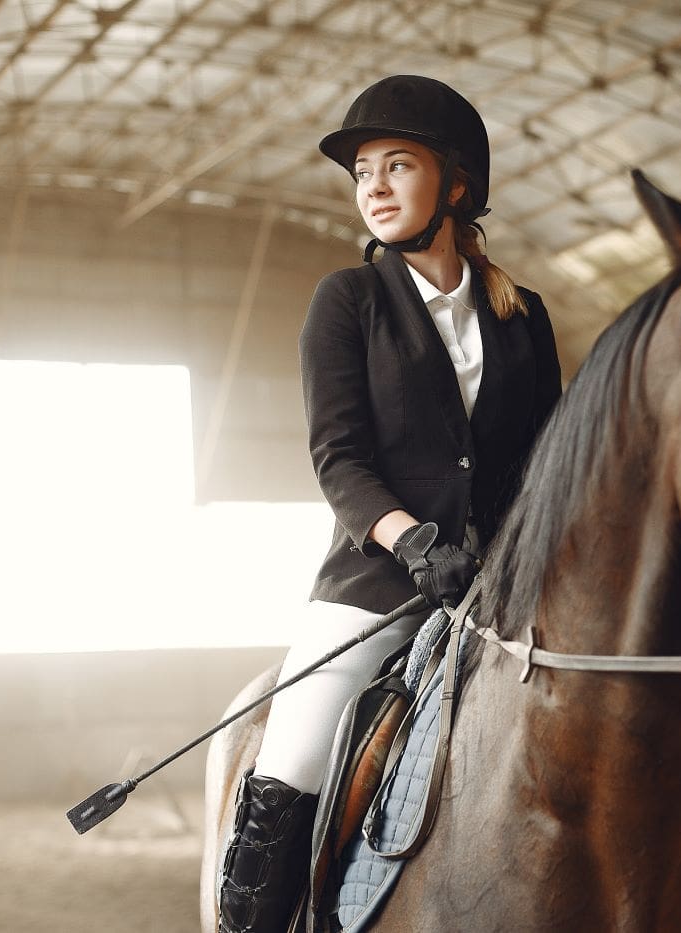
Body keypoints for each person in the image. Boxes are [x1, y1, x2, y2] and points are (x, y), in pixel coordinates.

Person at [215, 74, 563, 933]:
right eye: (362, 171)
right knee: (294, 752)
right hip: (378, 583)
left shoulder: (524, 317)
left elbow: (546, 457)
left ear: (455, 184)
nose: (370, 186)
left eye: (395, 166)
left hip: (506, 586)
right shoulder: (348, 302)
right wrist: (415, 543)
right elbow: (339, 458)